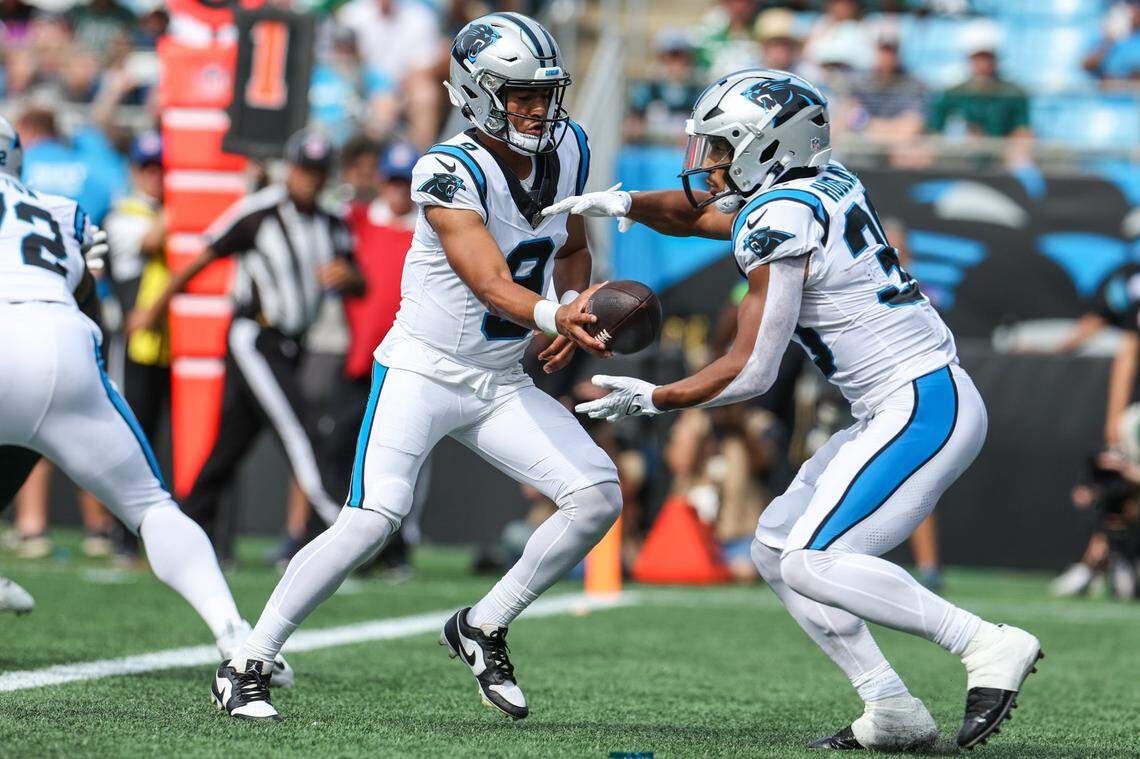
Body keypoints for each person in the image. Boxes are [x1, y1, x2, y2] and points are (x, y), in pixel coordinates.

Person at [543, 69, 1042, 752]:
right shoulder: (821, 184)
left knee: (811, 559)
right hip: (908, 401)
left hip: (920, 403)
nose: (710, 163)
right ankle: (890, 707)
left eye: (721, 147)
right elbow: (700, 214)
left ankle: (985, 643)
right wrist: (621, 201)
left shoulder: (780, 215)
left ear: (767, 146)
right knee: (777, 548)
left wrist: (654, 396)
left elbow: (751, 370)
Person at [212, 12, 620, 722]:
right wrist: (556, 315)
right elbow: (491, 281)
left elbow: (571, 242)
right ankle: (247, 660)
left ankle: (482, 624)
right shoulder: (446, 168)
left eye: (542, 92)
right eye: (516, 92)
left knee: (598, 495)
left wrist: (570, 297)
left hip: (498, 380)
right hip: (424, 371)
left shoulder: (571, 148)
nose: (534, 108)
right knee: (373, 518)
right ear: (473, 91)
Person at [0, 115, 292, 682]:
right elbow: (84, 294)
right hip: (61, 340)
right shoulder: (60, 210)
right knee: (153, 508)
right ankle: (235, 635)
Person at [129, 130, 364, 548]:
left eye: (318, 173)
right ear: (289, 169)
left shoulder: (331, 223)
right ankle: (339, 528)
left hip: (294, 344)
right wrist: (155, 308)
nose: (310, 180)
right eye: (304, 171)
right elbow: (201, 257)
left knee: (230, 445)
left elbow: (357, 282)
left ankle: (183, 529)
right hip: (255, 337)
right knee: (304, 430)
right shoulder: (260, 212)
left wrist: (350, 279)